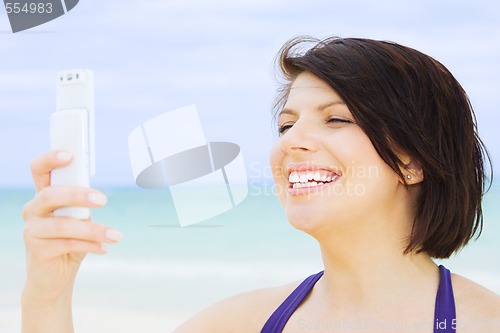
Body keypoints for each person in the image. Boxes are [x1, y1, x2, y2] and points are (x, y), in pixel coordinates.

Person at [21, 36, 500, 333]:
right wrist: (47, 293)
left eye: (335, 119)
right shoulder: (237, 324)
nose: (293, 143)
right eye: (286, 125)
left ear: (413, 160)